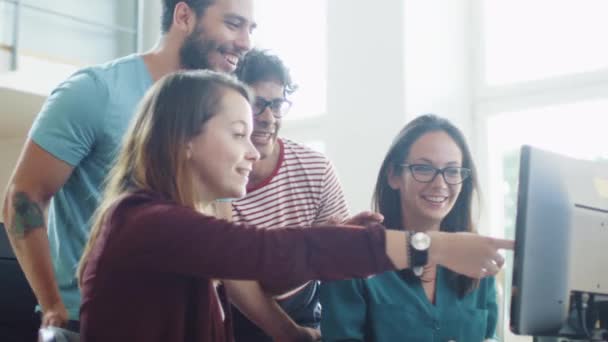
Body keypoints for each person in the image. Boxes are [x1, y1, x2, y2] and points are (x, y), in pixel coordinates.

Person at [76, 71, 512, 342]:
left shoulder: (164, 222)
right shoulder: (150, 223)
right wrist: (434, 247)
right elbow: (274, 251)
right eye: (238, 133)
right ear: (183, 139)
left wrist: (348, 240)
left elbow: (277, 265)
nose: (253, 150)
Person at [1, 0, 256, 334]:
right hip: (92, 320)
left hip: (175, 324)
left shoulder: (216, 120)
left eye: (250, 29)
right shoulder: (96, 91)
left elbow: (221, 244)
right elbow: (23, 196)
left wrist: (285, 328)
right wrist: (53, 306)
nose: (246, 42)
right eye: (233, 24)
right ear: (183, 16)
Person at [320, 114, 501, 341]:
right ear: (394, 175)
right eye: (424, 168)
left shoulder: (477, 260)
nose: (440, 184)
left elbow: (490, 337)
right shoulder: (353, 259)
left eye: (453, 171)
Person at [220, 49, 349, 341]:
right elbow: (234, 276)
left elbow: (340, 269)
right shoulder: (213, 178)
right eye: (256, 104)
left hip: (304, 307)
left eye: (277, 105)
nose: (268, 117)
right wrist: (314, 250)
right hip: (232, 317)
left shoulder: (316, 169)